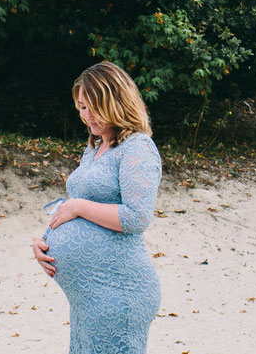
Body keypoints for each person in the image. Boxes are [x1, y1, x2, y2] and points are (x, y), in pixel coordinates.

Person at [31, 61, 162, 354]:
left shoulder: (137, 147)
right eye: (81, 107)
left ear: (115, 103)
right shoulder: (94, 148)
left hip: (119, 292)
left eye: (92, 107)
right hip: (89, 297)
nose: (85, 116)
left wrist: (77, 207)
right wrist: (44, 241)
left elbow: (136, 216)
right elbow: (75, 206)